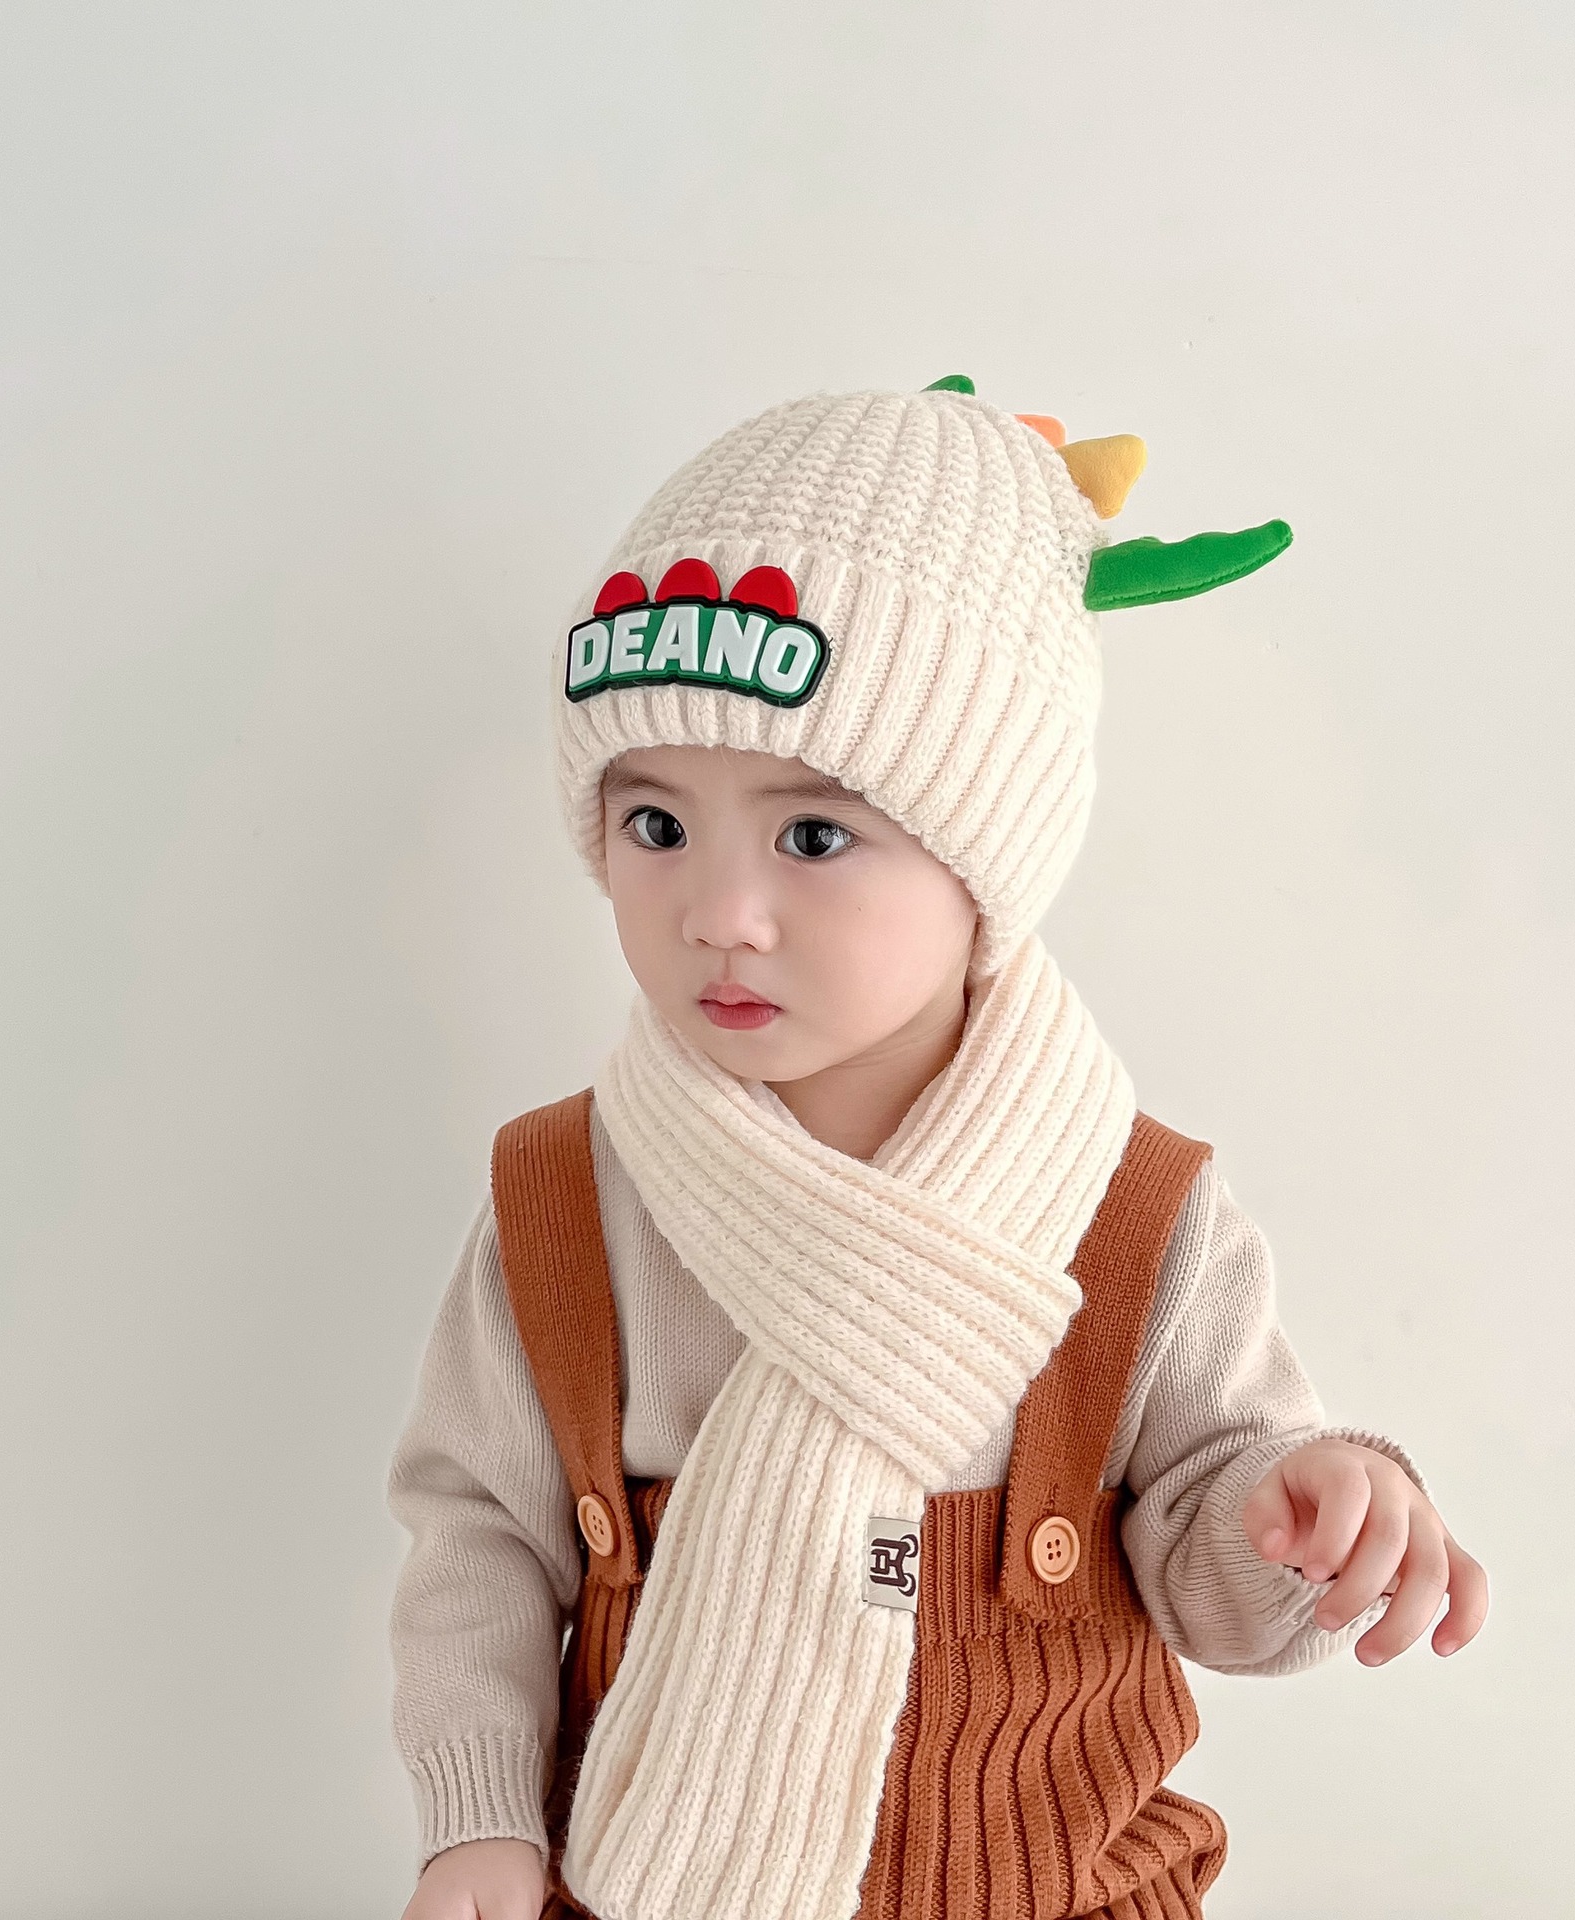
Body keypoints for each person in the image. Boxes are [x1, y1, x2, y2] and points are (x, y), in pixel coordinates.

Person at [386, 378, 1488, 1920]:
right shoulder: (564, 1204)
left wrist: (1303, 1518)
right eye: (656, 827)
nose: (720, 913)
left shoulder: (1136, 1214)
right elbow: (483, 1540)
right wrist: (479, 1818)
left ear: (989, 862)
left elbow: (1218, 1573)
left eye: (814, 836)